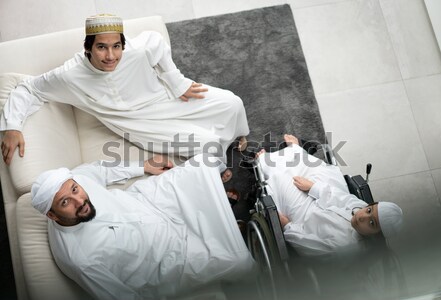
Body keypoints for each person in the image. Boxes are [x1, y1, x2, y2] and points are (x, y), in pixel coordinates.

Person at [0, 14, 249, 165]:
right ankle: (218, 172)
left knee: (233, 102)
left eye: (116, 46)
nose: (111, 56)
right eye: (101, 48)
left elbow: (157, 41)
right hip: (138, 123)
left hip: (164, 98)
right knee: (208, 144)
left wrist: (177, 82)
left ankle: (235, 137)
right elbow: (29, 89)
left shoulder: (135, 50)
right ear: (88, 47)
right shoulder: (69, 75)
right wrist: (12, 126)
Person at [30, 153, 255, 300]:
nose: (79, 201)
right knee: (239, 261)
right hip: (167, 261)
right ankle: (225, 215)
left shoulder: (77, 179)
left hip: (149, 201)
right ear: (52, 214)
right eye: (65, 202)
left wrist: (144, 166)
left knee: (204, 163)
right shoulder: (81, 260)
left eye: (75, 190)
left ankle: (222, 211)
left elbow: (101, 170)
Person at [254, 134, 403, 256]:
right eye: (369, 210)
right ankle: (296, 150)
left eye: (371, 223)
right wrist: (313, 187)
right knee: (319, 171)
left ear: (375, 235)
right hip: (319, 200)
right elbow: (339, 197)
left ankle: (265, 162)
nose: (363, 216)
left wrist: (287, 226)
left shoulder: (344, 247)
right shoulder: (360, 208)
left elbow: (306, 244)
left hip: (302, 217)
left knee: (286, 179)